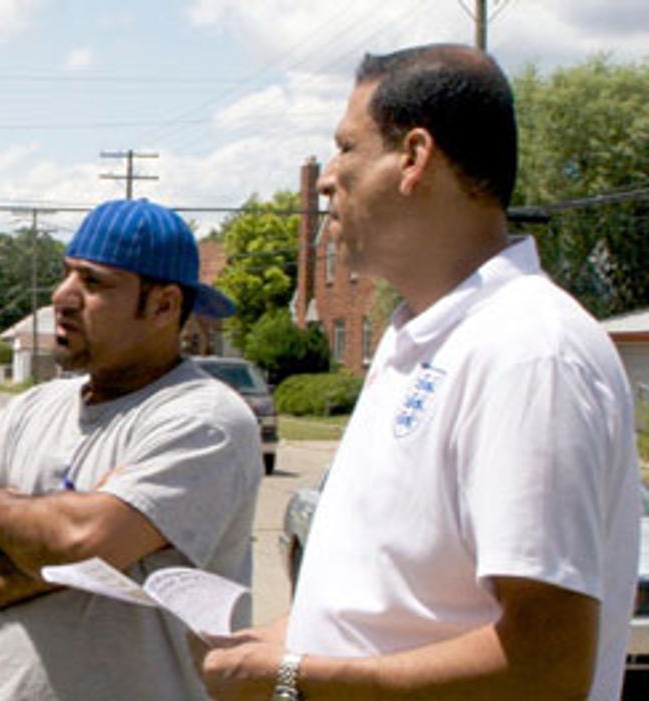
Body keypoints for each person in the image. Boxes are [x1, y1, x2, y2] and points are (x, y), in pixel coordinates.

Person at [197, 44, 640, 701]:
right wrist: (281, 640)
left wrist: (295, 676)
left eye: (346, 148)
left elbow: (546, 665)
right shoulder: (416, 341)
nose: (327, 179)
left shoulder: (528, 351)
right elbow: (395, 602)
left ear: (413, 157)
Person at [0, 197, 264, 701]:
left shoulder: (205, 418)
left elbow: (83, 540)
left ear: (164, 305)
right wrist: (80, 558)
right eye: (66, 274)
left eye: (94, 282)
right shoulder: (30, 408)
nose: (62, 296)